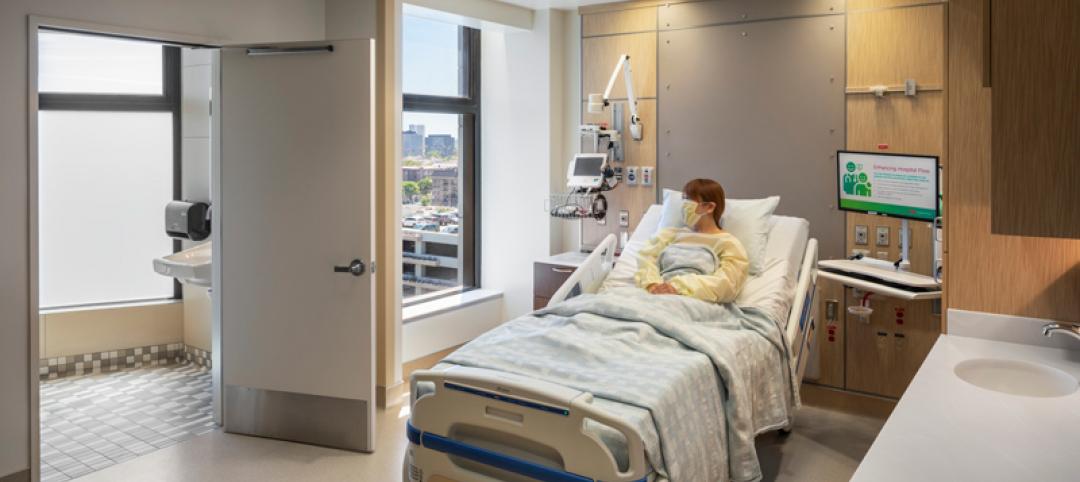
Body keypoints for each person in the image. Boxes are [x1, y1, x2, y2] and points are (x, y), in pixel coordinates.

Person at [634, 178, 749, 303]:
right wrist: (653, 284)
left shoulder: (728, 243)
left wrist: (678, 287)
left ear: (709, 207)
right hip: (655, 294)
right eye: (683, 198)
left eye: (688, 200)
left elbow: (728, 283)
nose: (683, 204)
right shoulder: (669, 235)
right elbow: (646, 259)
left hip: (694, 299)